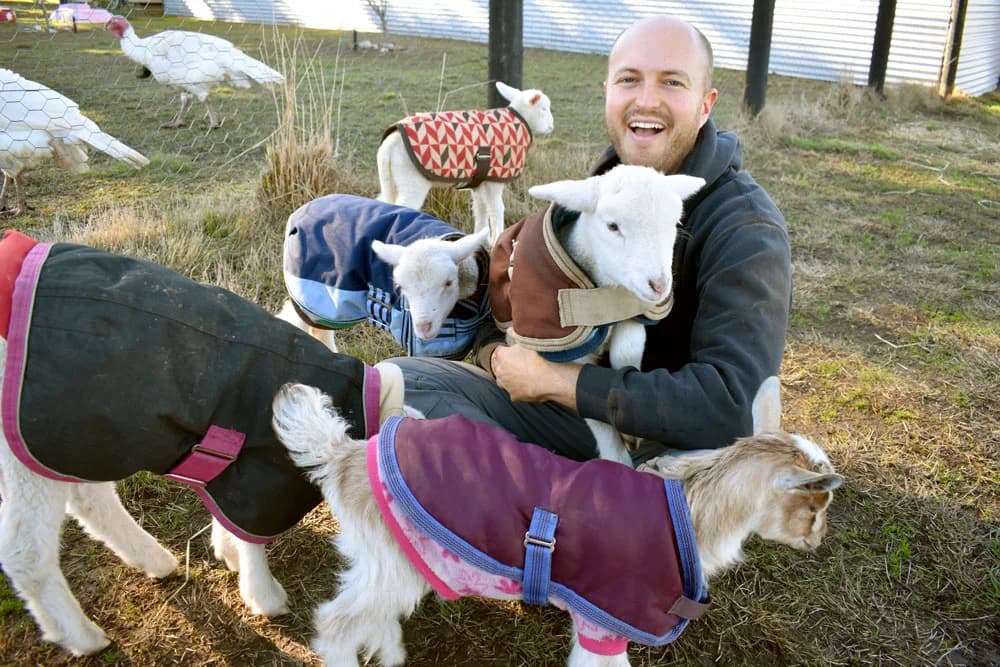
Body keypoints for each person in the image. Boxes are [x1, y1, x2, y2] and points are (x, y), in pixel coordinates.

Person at [387, 15, 792, 464]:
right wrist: (499, 352)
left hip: (670, 455)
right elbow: (519, 306)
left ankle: (551, 508)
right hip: (582, 418)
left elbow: (734, 408)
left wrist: (558, 383)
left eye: (673, 82)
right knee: (397, 387)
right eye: (629, 80)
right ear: (608, 93)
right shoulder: (598, 194)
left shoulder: (745, 228)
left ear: (705, 104)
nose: (646, 100)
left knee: (419, 419)